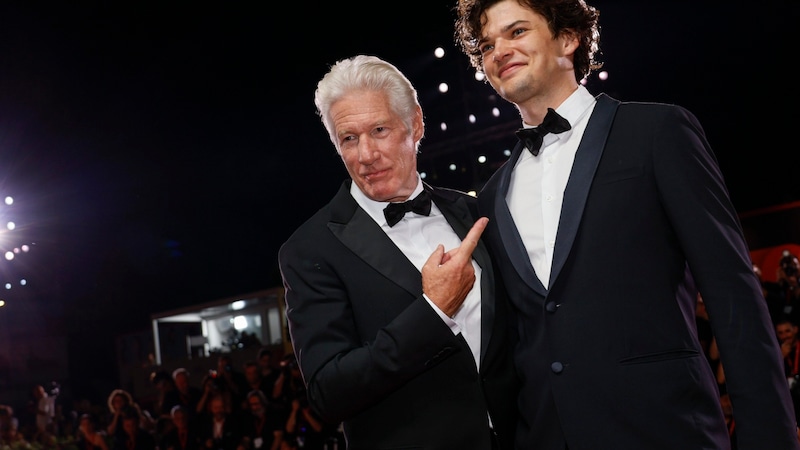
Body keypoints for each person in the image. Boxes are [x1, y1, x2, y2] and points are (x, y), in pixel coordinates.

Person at [453, 0, 799, 448]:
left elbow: (734, 297)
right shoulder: (492, 194)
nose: (498, 51)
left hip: (665, 430)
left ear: (568, 38)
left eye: (516, 32)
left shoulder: (657, 132)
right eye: (486, 45)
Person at [278, 54, 518, 449]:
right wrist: (434, 311)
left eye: (379, 129)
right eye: (349, 138)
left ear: (416, 124)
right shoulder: (310, 249)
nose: (365, 155)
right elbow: (329, 392)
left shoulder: (474, 212)